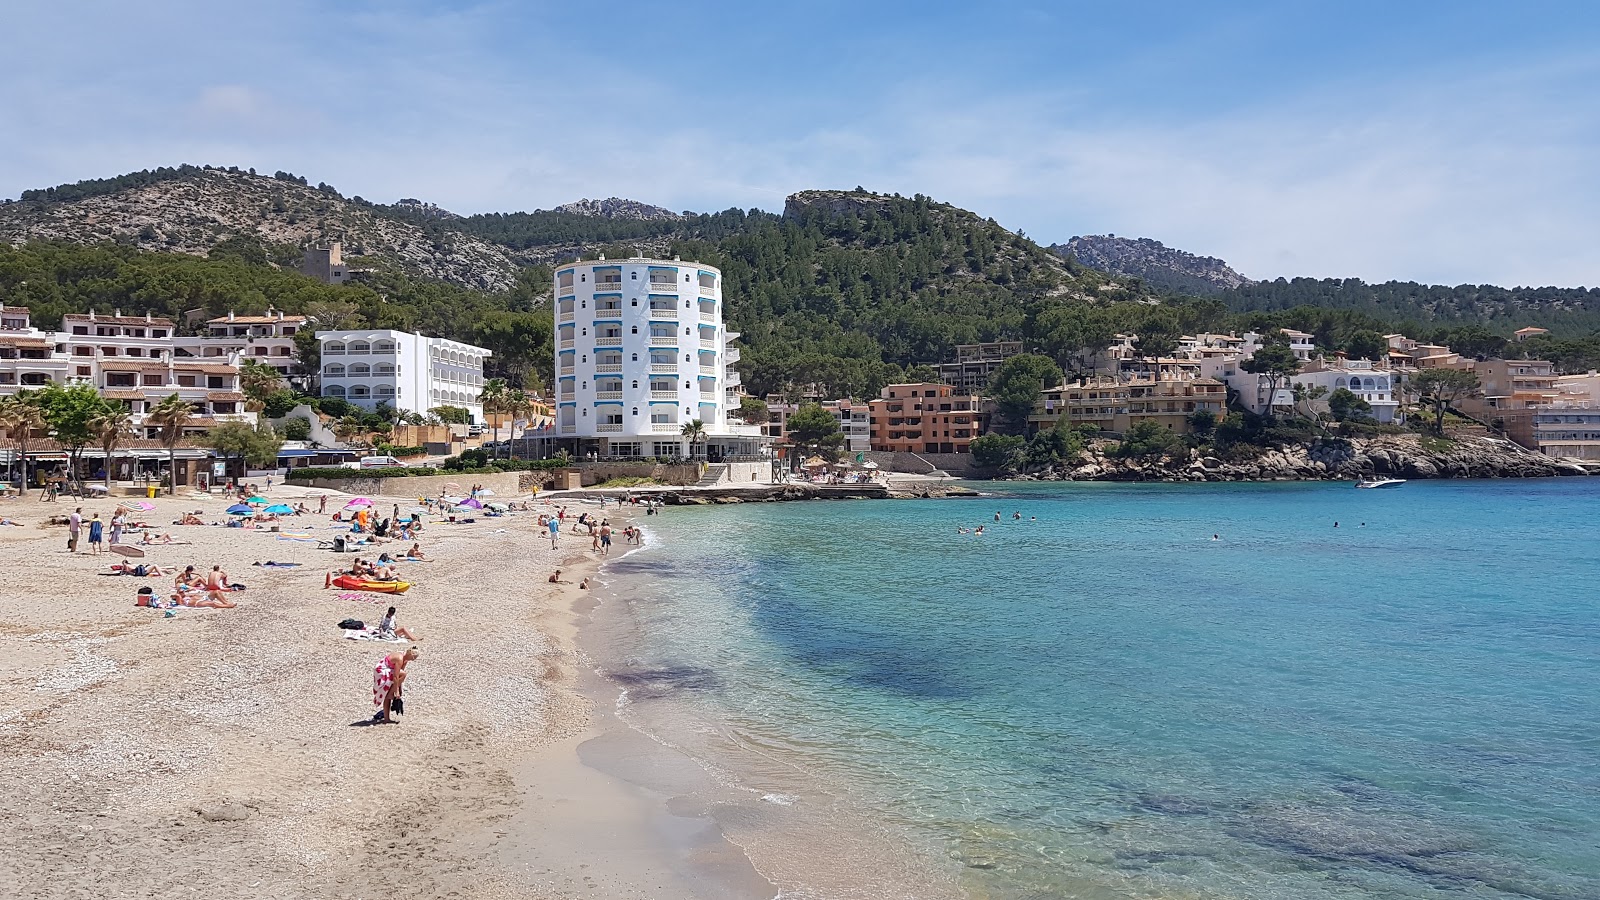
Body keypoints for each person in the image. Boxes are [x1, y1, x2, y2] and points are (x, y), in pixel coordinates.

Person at [371, 646, 419, 723]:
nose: (414, 659)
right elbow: (396, 676)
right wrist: (396, 691)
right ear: (410, 654)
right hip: (381, 669)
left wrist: (400, 689)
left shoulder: (405, 660)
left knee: (388, 695)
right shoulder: (400, 658)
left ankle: (386, 719)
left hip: (389, 670)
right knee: (403, 674)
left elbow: (399, 675)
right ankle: (390, 694)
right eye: (414, 657)